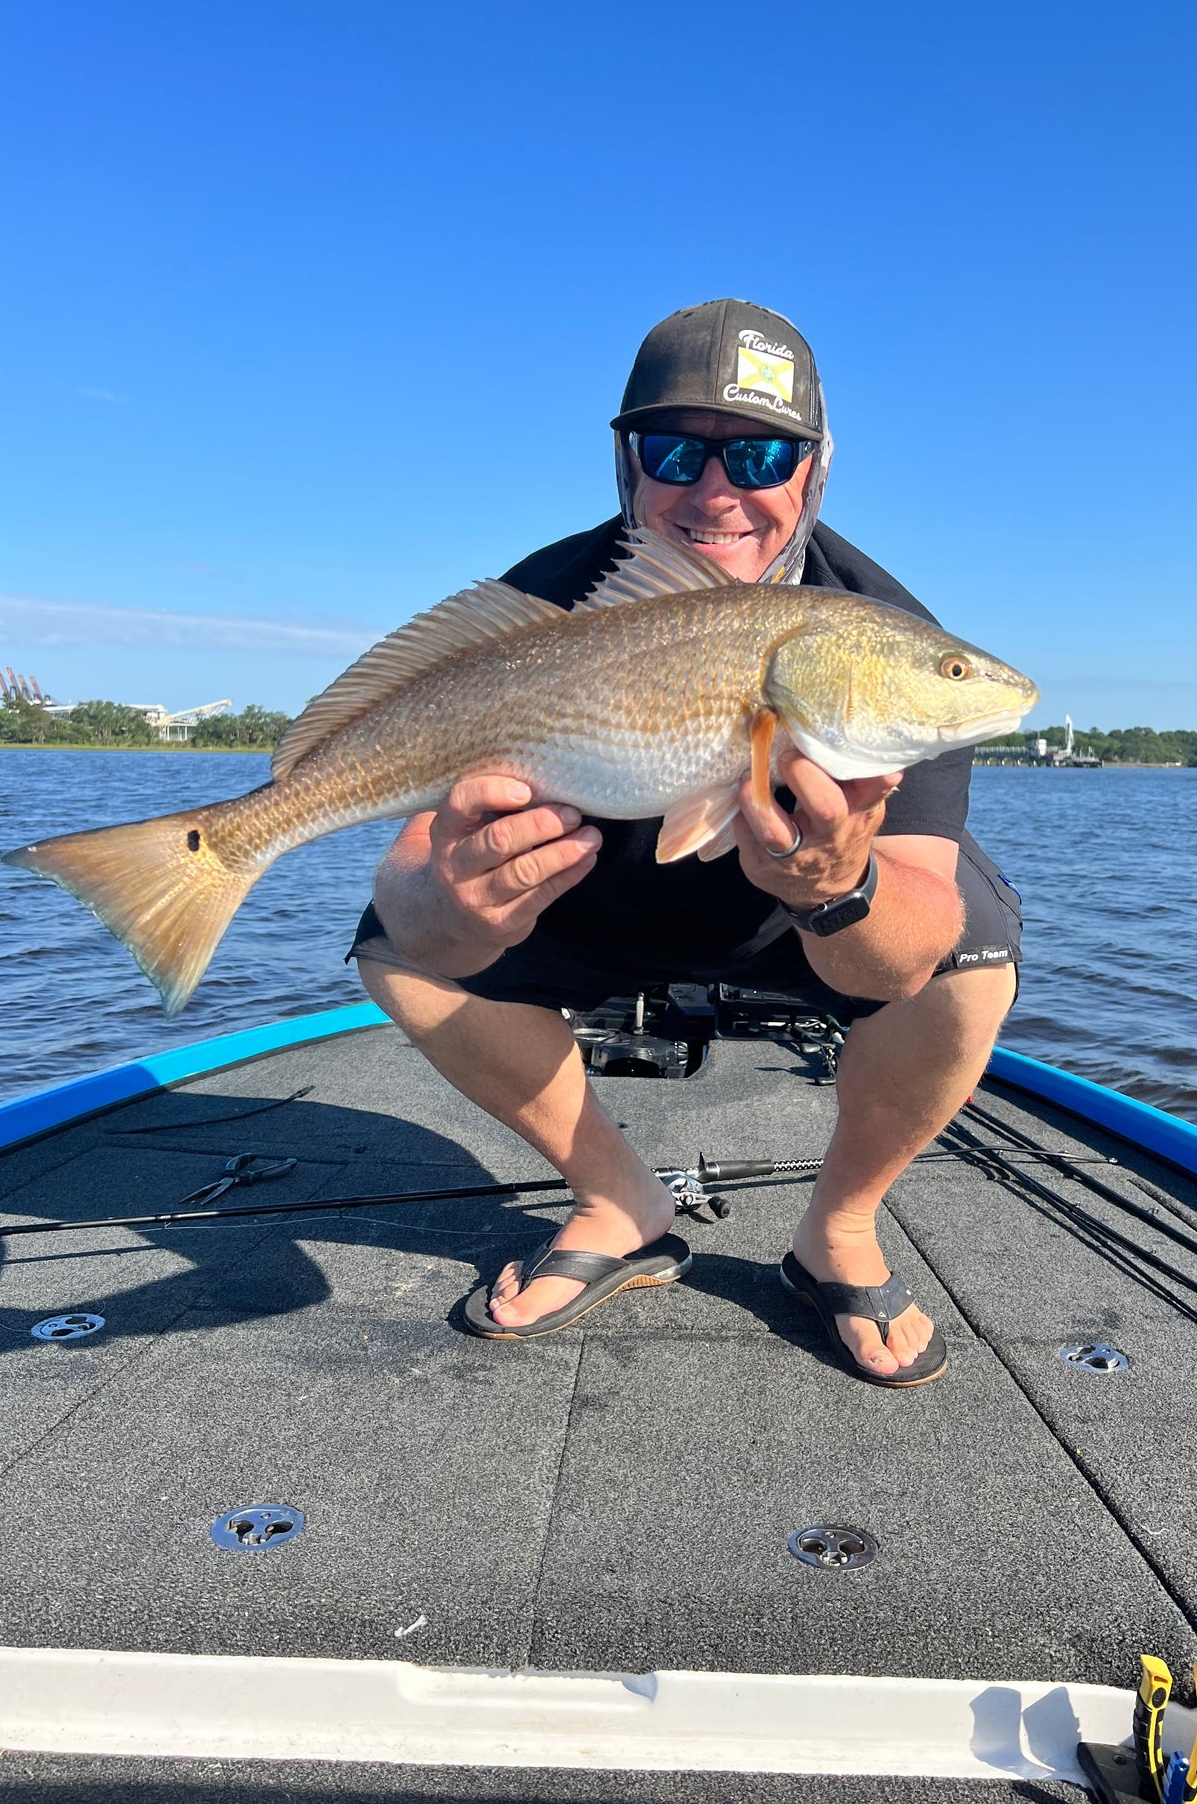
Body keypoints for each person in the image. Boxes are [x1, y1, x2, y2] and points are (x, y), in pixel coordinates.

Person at [349, 299, 1023, 1387]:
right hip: (580, 908)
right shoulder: (543, 602)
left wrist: (836, 884)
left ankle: (837, 1229)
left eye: (758, 453)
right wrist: (447, 904)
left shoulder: (876, 630)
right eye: (674, 451)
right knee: (396, 937)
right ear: (626, 462)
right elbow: (413, 883)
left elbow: (900, 957)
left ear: (813, 468)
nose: (715, 492)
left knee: (967, 950)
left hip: (791, 933)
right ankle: (616, 1199)